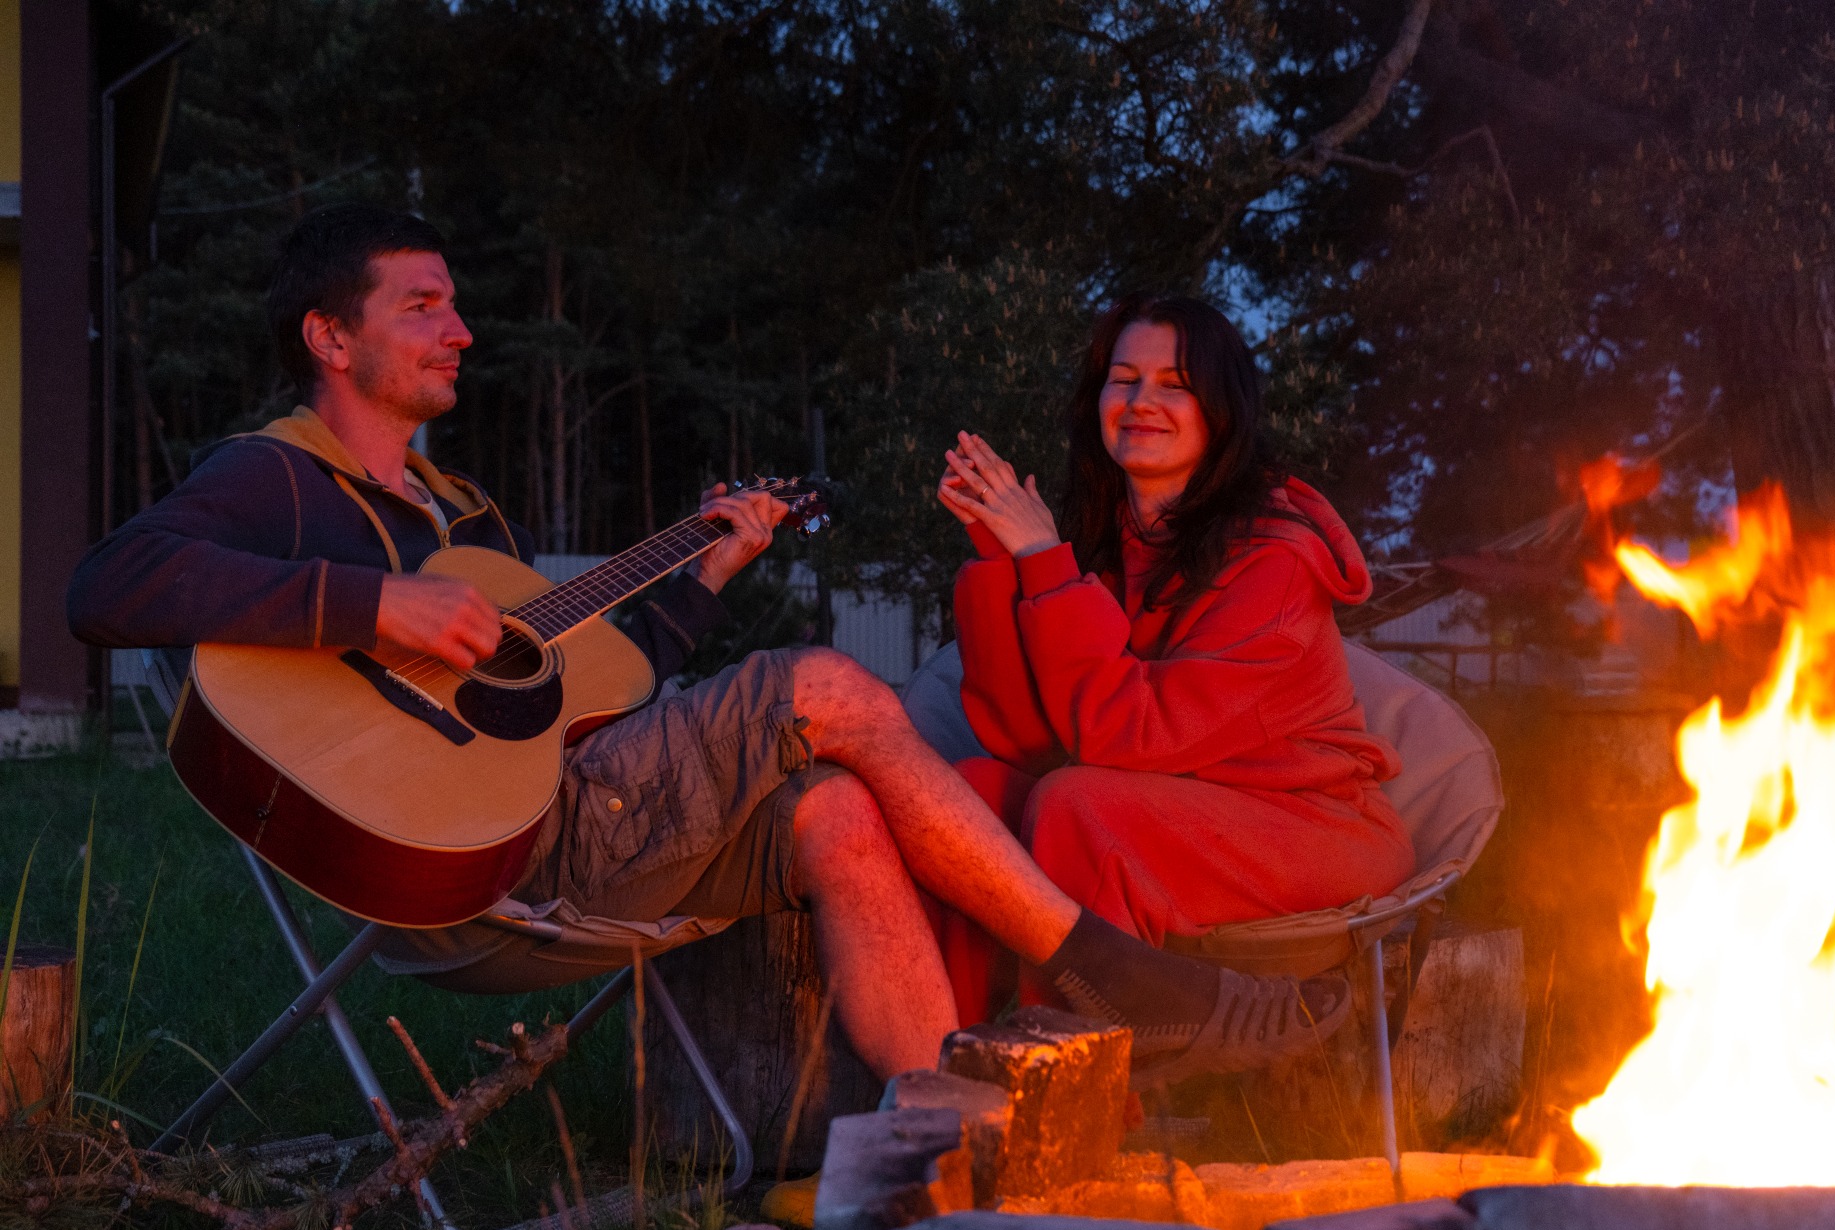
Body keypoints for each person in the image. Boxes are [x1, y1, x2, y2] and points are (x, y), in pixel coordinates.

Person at [67, 205, 1344, 1091]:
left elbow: (570, 699)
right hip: (459, 867)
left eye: (457, 305)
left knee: (839, 810)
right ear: (330, 338)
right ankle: (1114, 976)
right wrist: (372, 607)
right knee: (822, 683)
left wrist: (704, 582)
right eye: (423, 307)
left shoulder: (466, 515)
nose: (461, 329)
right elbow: (108, 584)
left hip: (573, 819)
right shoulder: (282, 479)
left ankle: (949, 1144)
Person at [932, 294, 1414, 1075]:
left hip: (1313, 825)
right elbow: (1025, 739)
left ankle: (1073, 1092)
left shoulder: (1276, 562)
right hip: (1178, 805)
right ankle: (942, 1073)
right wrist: (1002, 556)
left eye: (1175, 384)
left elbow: (1129, 737)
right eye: (1123, 379)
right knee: (973, 795)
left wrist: (1044, 563)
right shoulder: (1113, 540)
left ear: (1221, 411)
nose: (1141, 401)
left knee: (1077, 807)